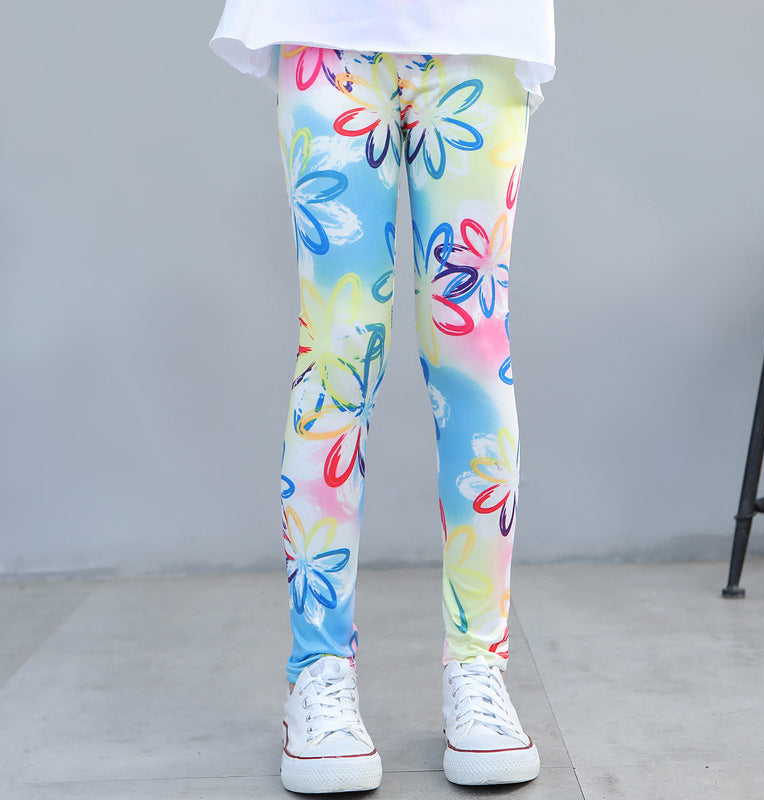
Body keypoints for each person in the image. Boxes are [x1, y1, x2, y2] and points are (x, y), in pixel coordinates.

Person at [209, 0, 555, 793]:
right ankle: (318, 672)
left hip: (480, 32)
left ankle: (479, 667)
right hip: (324, 28)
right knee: (337, 351)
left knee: (473, 348)